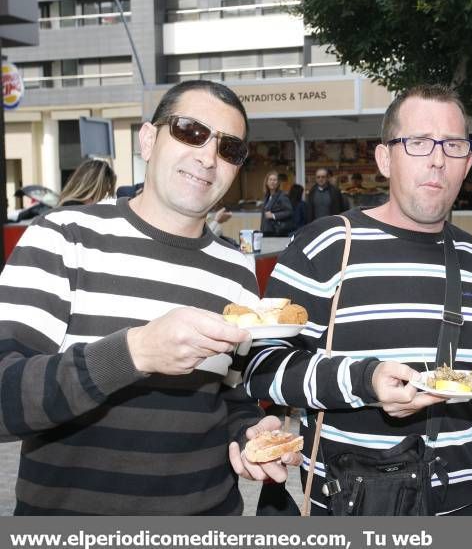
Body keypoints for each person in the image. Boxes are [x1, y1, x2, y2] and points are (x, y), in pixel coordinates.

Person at [0, 79, 300, 515]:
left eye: (230, 149)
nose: (207, 156)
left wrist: (250, 434)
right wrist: (134, 352)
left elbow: (229, 395)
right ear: (147, 139)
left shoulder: (236, 269)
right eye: (189, 130)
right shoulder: (64, 238)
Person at [244, 84, 472, 516]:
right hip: (355, 503)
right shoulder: (327, 245)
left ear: (467, 163)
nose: (437, 159)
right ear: (385, 159)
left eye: (453, 145)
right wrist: (364, 381)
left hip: (464, 509)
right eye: (419, 142)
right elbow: (263, 370)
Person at [260, 171, 295, 236]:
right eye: (270, 180)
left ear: (278, 183)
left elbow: (289, 212)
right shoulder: (267, 196)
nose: (272, 182)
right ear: (267, 182)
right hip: (267, 231)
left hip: (277, 232)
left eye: (275, 180)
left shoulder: (282, 196)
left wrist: (273, 215)